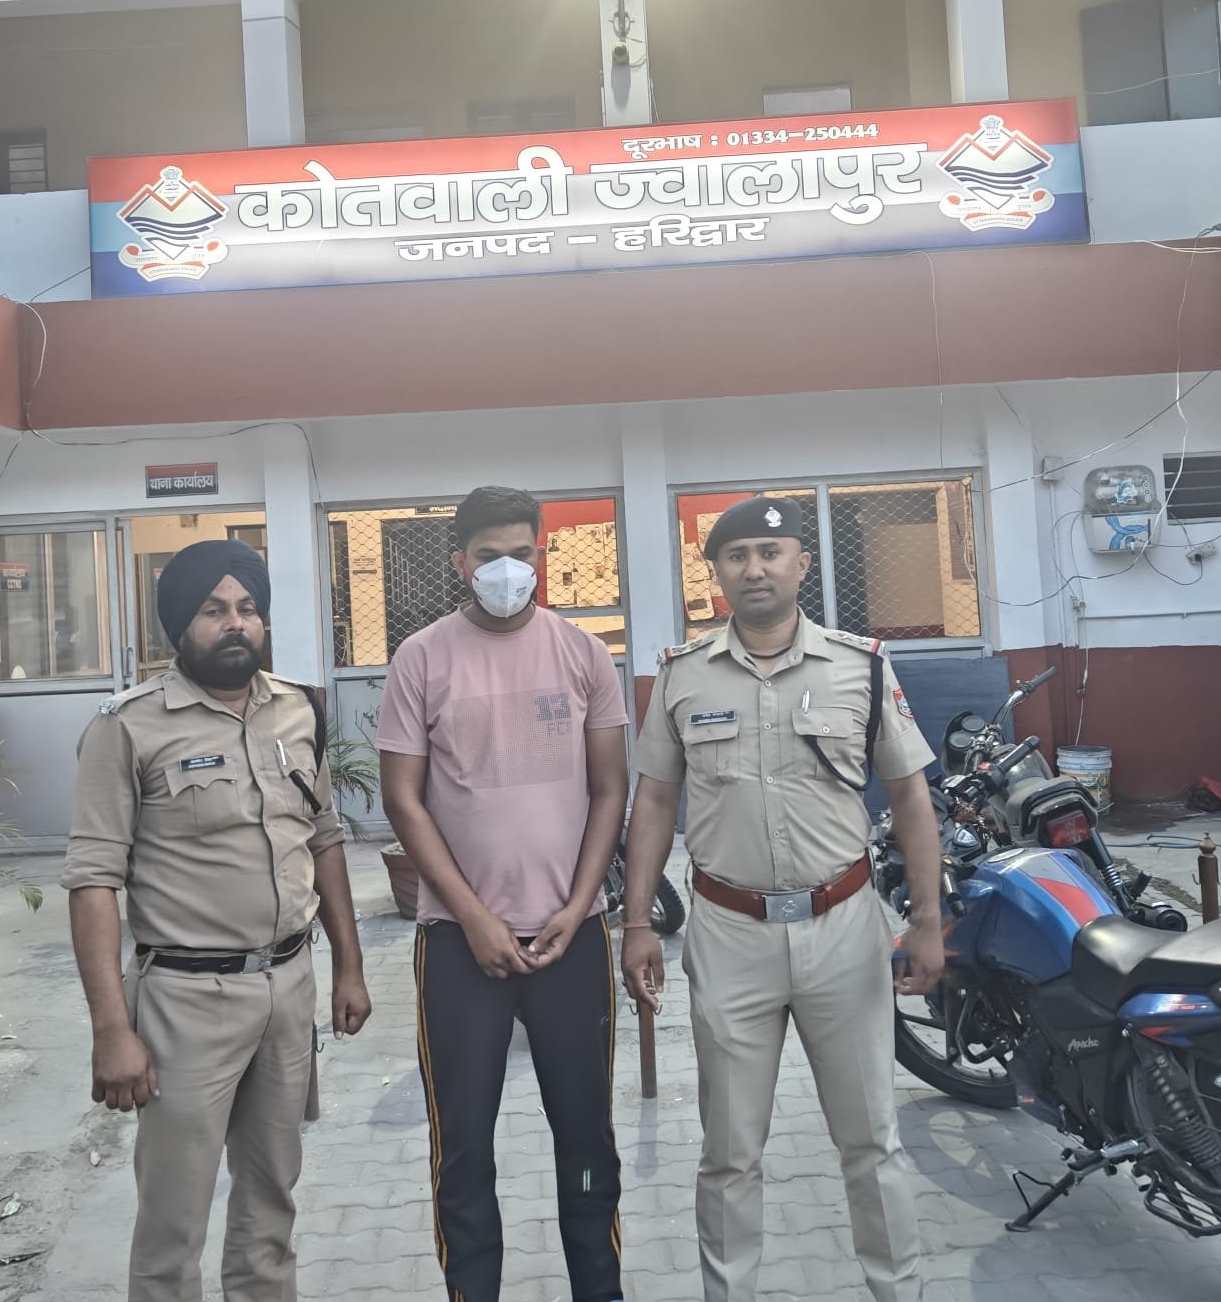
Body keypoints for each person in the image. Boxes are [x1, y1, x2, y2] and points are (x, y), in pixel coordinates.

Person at [621, 496, 944, 1302]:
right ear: (716, 573)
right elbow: (654, 801)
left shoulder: (861, 665)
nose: (754, 569)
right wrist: (635, 923)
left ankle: (897, 1290)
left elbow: (911, 798)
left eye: (770, 553)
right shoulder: (683, 674)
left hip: (844, 929)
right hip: (730, 935)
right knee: (730, 1153)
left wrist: (928, 921)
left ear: (802, 564)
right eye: (736, 556)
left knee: (871, 1140)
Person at [63, 539, 371, 1302]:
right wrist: (111, 1030)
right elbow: (93, 881)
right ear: (179, 625)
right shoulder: (128, 728)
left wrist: (350, 966)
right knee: (173, 1226)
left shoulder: (298, 709)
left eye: (248, 608)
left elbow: (323, 837)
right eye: (213, 610)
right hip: (186, 1004)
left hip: (288, 991)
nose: (236, 623)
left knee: (271, 1209)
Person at [377, 485, 631, 1302]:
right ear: (460, 563)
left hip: (571, 939)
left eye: (522, 554)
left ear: (541, 555)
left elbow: (610, 789)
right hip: (459, 945)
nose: (508, 571)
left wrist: (580, 904)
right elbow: (403, 800)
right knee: (463, 1152)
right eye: (489, 557)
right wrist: (474, 917)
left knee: (586, 1143)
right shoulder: (421, 659)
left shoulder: (583, 654)